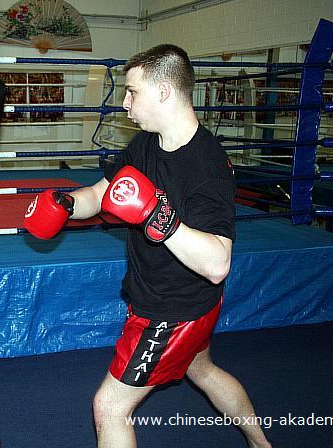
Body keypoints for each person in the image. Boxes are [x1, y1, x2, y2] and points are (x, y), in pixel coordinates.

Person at [23, 44, 271, 447]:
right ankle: (262, 444)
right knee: (203, 370)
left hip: (173, 310)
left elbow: (217, 263)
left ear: (163, 92)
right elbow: (101, 194)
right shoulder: (144, 146)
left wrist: (160, 218)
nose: (124, 103)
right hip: (176, 299)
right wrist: (66, 205)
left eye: (132, 92)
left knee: (109, 407)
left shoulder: (206, 166)